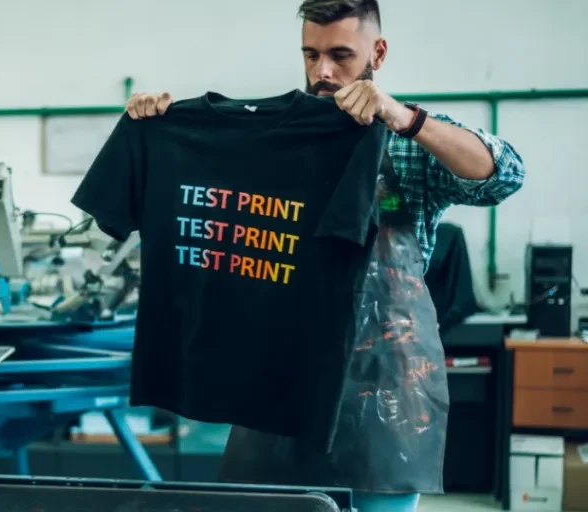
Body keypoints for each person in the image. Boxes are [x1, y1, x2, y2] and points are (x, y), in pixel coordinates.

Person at [122, 0, 525, 511]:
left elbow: (505, 174)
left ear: (377, 52)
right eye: (310, 55)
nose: (323, 72)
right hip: (279, 378)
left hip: (386, 389)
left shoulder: (407, 141)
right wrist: (159, 126)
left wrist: (402, 117)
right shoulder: (269, 140)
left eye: (340, 55)